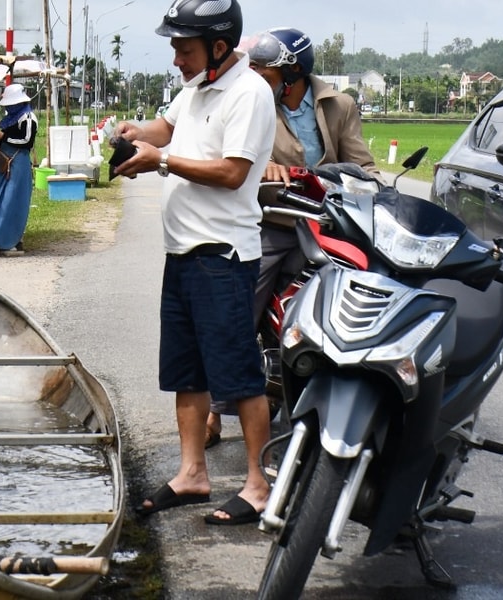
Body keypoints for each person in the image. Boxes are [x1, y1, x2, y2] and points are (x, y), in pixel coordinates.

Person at [113, 0, 276, 525]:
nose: (178, 60)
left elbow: (232, 172)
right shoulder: (197, 88)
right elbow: (165, 128)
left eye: (185, 49)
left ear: (220, 47)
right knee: (187, 373)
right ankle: (192, 473)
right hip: (182, 253)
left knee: (238, 375)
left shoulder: (249, 94)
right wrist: (135, 132)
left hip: (222, 256)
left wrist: (160, 160)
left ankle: (257, 484)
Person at [205, 27, 382, 447]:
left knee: (352, 304)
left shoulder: (338, 106)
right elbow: (234, 155)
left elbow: (363, 165)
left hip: (328, 226)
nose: (258, 80)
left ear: (294, 73)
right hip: (271, 222)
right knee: (236, 311)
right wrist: (263, 166)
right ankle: (214, 412)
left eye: (266, 74)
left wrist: (368, 185)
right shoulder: (253, 102)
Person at [0, 83, 38, 255]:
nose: (9, 107)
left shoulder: (27, 118)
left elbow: (27, 142)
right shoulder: (9, 119)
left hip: (17, 165)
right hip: (3, 164)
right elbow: (1, 140)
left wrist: (3, 136)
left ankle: (9, 240)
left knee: (12, 201)